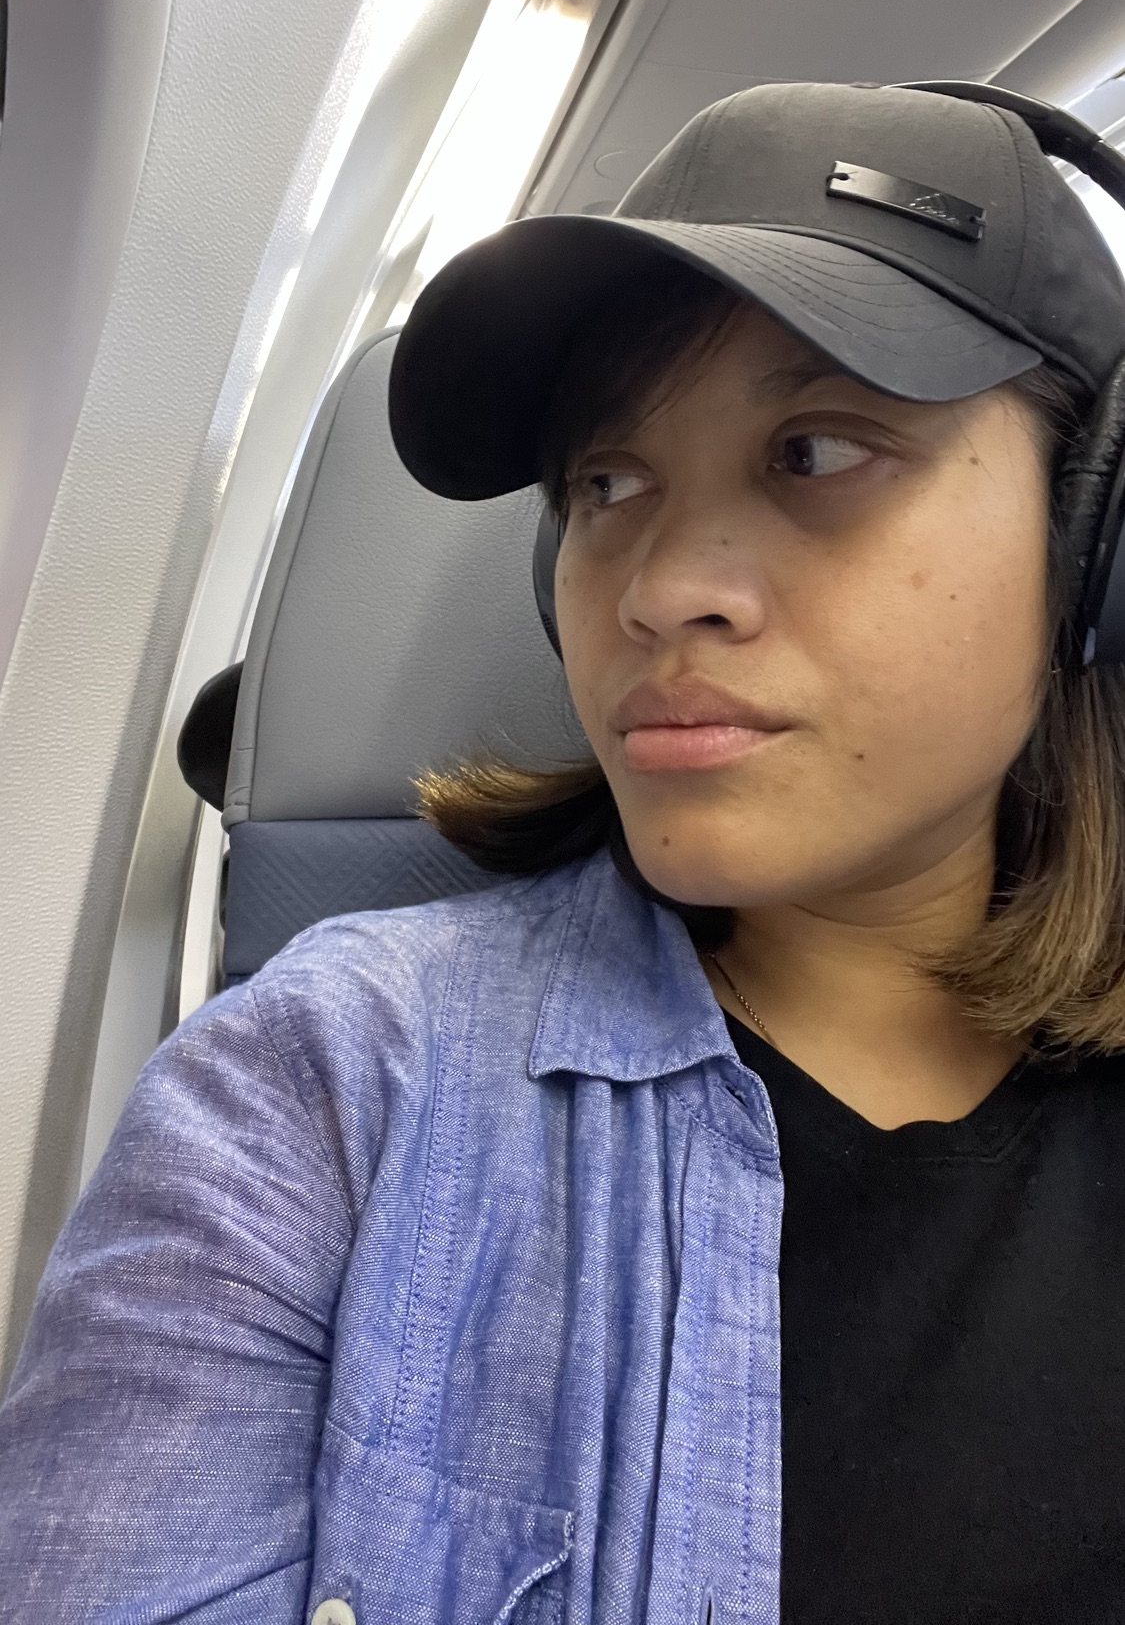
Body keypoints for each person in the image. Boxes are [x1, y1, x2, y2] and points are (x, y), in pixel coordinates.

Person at [3, 81, 1125, 1623]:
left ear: (1094, 545)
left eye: (813, 449)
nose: (654, 589)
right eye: (605, 485)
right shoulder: (324, 1084)